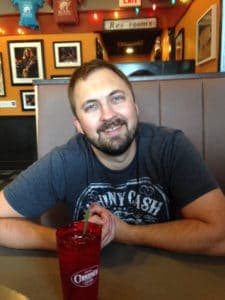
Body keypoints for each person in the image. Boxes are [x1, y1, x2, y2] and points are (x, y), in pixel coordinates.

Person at [1, 59, 225, 255]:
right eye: (91, 106)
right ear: (78, 125)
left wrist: (125, 232)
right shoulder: (64, 162)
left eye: (116, 99)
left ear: (135, 107)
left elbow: (220, 235)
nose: (108, 115)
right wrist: (71, 240)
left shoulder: (170, 147)